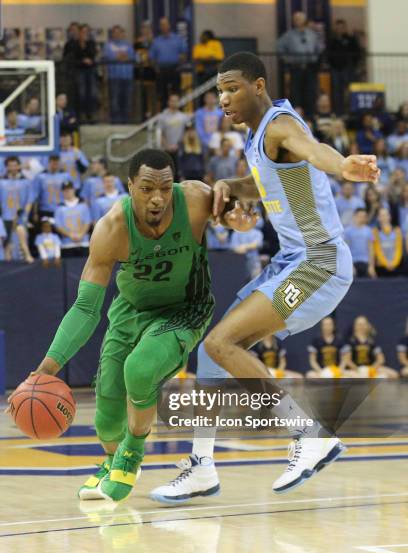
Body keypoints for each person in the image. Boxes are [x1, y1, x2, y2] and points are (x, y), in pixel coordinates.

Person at [150, 51, 380, 504]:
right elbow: (261, 183)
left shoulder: (279, 124)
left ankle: (307, 434)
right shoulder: (258, 139)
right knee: (213, 354)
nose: (223, 99)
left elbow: (315, 152)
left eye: (232, 88)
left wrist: (344, 166)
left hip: (319, 263)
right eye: (219, 91)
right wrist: (229, 188)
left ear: (258, 85)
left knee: (221, 344)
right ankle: (202, 466)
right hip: (292, 262)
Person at [10, 149, 256, 503]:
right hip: (131, 310)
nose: (157, 198)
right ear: (129, 187)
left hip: (184, 309)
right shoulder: (111, 228)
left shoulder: (196, 200)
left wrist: (239, 219)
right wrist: (45, 370)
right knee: (107, 414)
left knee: (139, 370)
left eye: (165, 188)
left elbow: (239, 205)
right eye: (146, 189)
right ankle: (113, 458)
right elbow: (85, 308)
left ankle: (132, 453)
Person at [276, 12, 321, 116]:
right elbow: (279, 47)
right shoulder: (288, 35)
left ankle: (310, 117)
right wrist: (288, 59)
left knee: (310, 93)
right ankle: (296, 116)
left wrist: (314, 57)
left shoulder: (312, 34)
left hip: (310, 68)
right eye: (296, 19)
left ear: (304, 20)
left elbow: (319, 47)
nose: (298, 21)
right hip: (296, 68)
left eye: (300, 18)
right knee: (296, 94)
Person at [149, 17, 187, 109]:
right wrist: (156, 68)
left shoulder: (177, 39)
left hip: (175, 68)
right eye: (162, 25)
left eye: (165, 24)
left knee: (176, 92)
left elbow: (184, 53)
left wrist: (180, 64)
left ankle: (179, 112)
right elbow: (151, 57)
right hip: (161, 70)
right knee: (162, 94)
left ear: (169, 25)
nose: (164, 26)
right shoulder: (156, 41)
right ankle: (164, 113)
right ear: (159, 27)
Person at [103, 26, 137, 124]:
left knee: (127, 100)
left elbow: (134, 57)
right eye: (115, 32)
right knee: (115, 101)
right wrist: (122, 56)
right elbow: (108, 56)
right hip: (114, 77)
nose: (117, 34)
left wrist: (120, 57)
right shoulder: (108, 45)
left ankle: (126, 122)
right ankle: (115, 122)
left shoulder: (128, 45)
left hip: (127, 77)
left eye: (119, 32)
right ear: (112, 34)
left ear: (123, 33)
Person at [327, 19, 361, 115]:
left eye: (342, 27)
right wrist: (332, 65)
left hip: (348, 70)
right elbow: (328, 54)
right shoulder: (332, 40)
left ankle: (352, 112)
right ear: (335, 29)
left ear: (345, 28)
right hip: (336, 70)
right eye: (338, 27)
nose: (340, 29)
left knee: (350, 92)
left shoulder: (351, 40)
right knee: (337, 93)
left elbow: (357, 53)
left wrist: (352, 65)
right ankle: (339, 112)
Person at [54, 181, 91, 257]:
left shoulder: (83, 205)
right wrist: (70, 235)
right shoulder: (59, 207)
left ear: (74, 190)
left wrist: (81, 235)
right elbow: (58, 226)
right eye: (65, 190)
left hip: (83, 243)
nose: (67, 192)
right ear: (62, 192)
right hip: (67, 244)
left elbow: (87, 222)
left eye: (69, 189)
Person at [344, 208, 376, 278]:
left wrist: (371, 266)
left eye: (364, 216)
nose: (362, 218)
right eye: (360, 216)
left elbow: (371, 250)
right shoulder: (347, 231)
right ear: (354, 216)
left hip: (366, 262)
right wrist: (350, 266)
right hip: (353, 262)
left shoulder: (369, 230)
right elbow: (346, 251)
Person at [372, 207, 403, 277]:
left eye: (386, 215)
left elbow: (399, 249)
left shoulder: (397, 230)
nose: (384, 217)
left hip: (396, 265)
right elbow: (377, 250)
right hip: (381, 267)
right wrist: (386, 264)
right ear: (378, 218)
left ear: (390, 216)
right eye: (382, 215)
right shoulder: (375, 231)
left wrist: (394, 263)